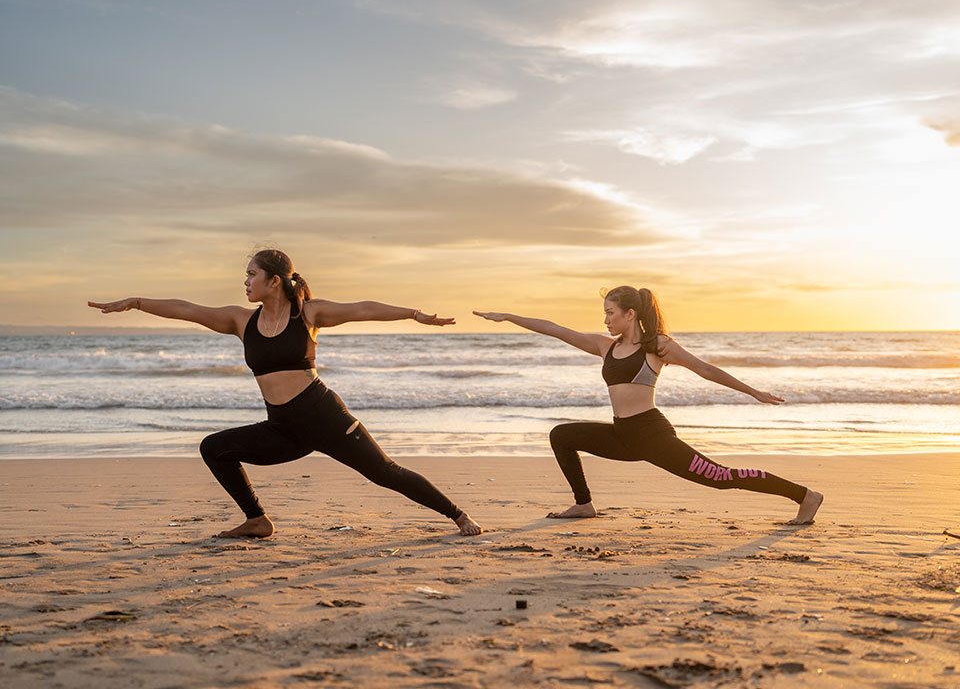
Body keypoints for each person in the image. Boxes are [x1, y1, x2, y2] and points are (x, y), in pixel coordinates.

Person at [89, 249, 482, 538]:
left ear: (273, 280)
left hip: (324, 417)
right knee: (214, 447)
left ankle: (458, 515)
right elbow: (187, 309)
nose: (245, 282)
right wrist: (137, 303)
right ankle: (257, 520)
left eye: (251, 274)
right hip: (283, 428)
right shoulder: (240, 320)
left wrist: (413, 314)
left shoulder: (308, 314)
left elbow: (362, 308)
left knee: (384, 473)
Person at [474, 286, 823, 525]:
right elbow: (554, 329)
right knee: (562, 435)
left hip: (653, 436)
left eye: (610, 313)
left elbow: (705, 369)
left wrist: (754, 392)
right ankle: (584, 504)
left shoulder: (658, 346)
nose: (605, 320)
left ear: (630, 314)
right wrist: (508, 316)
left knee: (721, 478)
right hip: (622, 435)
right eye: (604, 314)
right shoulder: (603, 346)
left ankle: (804, 496)